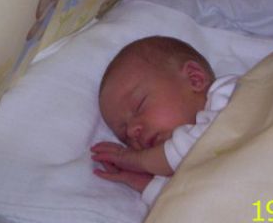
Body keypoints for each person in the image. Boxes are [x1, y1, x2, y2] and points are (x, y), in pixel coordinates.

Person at [91, 35, 238, 205]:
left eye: (139, 106)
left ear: (194, 79)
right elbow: (193, 201)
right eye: (124, 137)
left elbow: (205, 141)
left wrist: (138, 160)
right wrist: (147, 184)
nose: (132, 132)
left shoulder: (231, 93)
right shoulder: (183, 169)